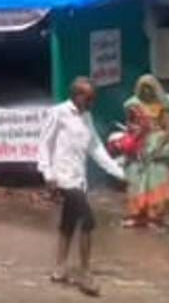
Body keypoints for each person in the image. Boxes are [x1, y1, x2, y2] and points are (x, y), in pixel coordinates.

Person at [37, 77, 126, 297]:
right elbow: (44, 144)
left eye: (93, 98)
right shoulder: (58, 113)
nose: (92, 102)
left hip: (79, 179)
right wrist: (48, 173)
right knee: (88, 220)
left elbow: (95, 148)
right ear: (77, 95)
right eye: (89, 98)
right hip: (62, 178)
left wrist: (119, 172)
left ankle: (59, 268)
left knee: (68, 222)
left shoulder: (87, 117)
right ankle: (85, 274)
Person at [121, 75, 169, 228]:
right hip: (139, 145)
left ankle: (157, 216)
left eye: (149, 88)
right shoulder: (132, 104)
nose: (146, 91)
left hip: (157, 148)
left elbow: (168, 130)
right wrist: (137, 132)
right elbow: (129, 125)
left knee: (157, 181)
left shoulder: (162, 105)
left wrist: (158, 146)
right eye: (143, 88)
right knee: (137, 181)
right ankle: (139, 215)